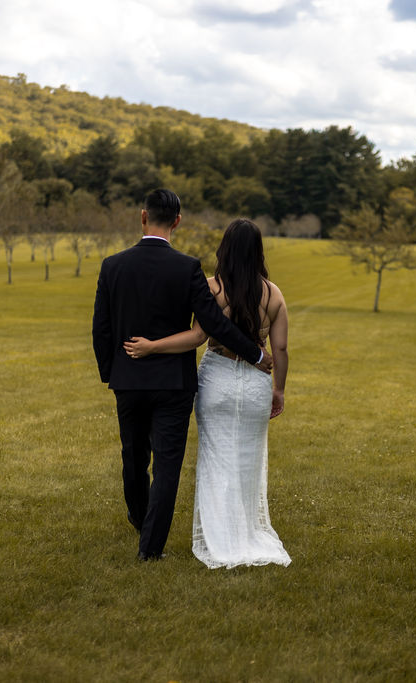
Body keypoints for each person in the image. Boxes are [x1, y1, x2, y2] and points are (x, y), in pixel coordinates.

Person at [92, 189, 271, 561]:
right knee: (167, 464)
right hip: (173, 383)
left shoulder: (113, 265)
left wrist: (112, 373)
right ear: (177, 221)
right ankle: (151, 549)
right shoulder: (187, 267)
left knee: (133, 456)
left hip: (128, 380)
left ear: (143, 216)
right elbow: (214, 325)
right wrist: (256, 353)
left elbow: (101, 329)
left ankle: (141, 520)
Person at [123, 218, 291, 569]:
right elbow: (282, 349)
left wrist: (152, 347)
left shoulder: (213, 288)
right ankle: (246, 533)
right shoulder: (274, 295)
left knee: (215, 459)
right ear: (258, 250)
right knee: (248, 462)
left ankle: (218, 540)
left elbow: (199, 336)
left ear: (224, 248)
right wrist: (279, 391)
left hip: (217, 379)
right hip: (257, 385)